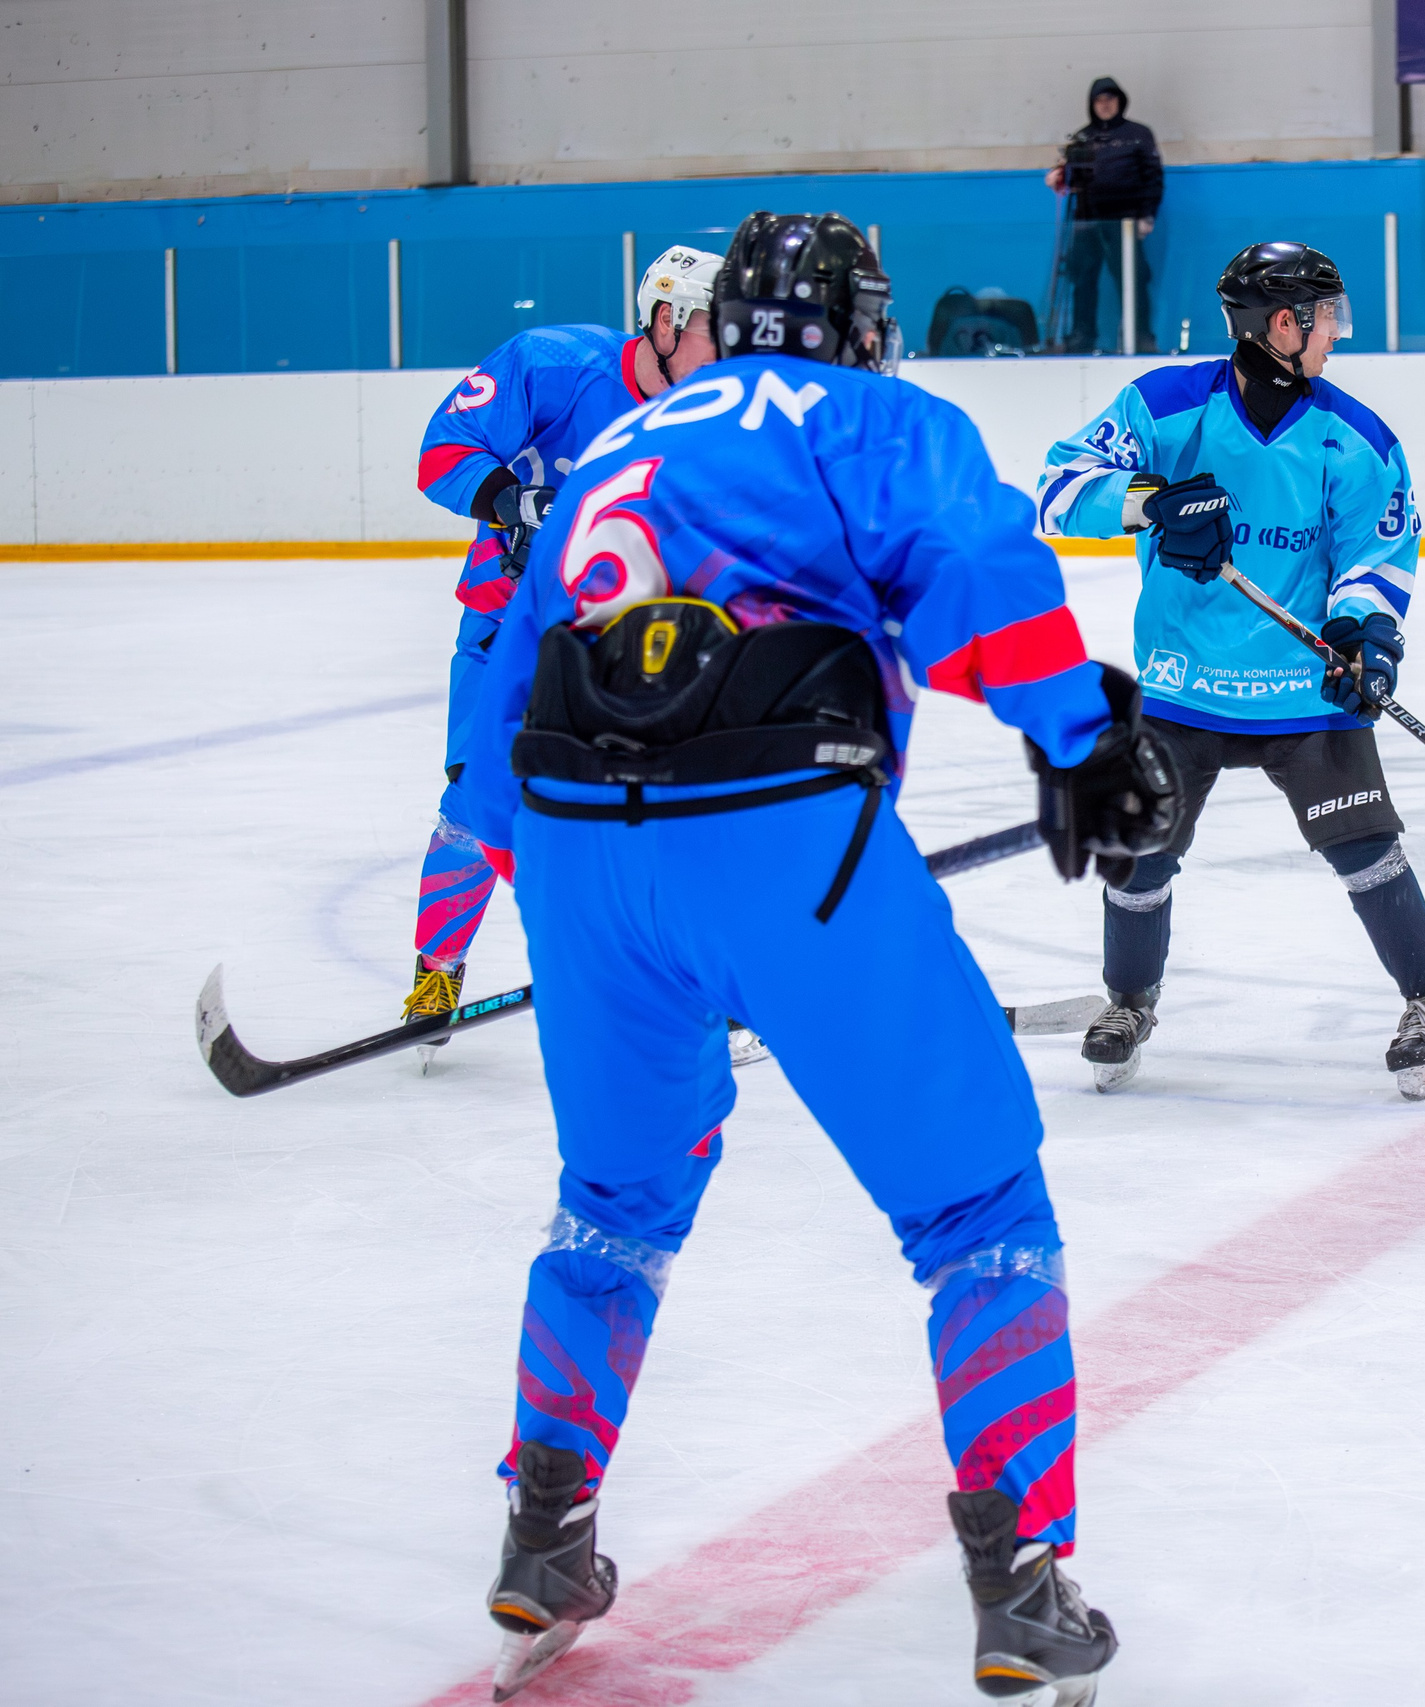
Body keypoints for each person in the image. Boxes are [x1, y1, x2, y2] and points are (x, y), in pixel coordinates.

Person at [454, 211, 1176, 1703]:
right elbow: (976, 564)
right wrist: (1084, 739)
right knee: (978, 1199)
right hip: (783, 839)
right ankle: (1023, 1577)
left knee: (613, 1203)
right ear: (855, 320)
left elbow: (504, 666)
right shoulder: (871, 412)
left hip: (582, 847)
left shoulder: (622, 438)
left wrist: (533, 866)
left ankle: (544, 1529)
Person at [1033, 241, 1425, 1100]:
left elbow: (1377, 554)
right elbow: (1056, 487)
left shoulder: (1354, 437)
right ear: (1284, 323)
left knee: (1364, 845)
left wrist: (1365, 638)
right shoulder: (1166, 405)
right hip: (1181, 685)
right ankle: (1130, 1000)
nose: (1336, 337)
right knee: (1139, 853)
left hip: (1304, 685)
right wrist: (1149, 502)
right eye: (1328, 319)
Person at [405, 244, 723, 1046]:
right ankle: (437, 969)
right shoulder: (551, 363)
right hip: (505, 624)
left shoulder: (713, 416)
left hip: (625, 638)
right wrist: (513, 500)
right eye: (715, 329)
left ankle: (688, 973)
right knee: (474, 809)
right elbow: (441, 449)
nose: (731, 349)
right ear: (663, 321)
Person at [1045, 76, 1163, 354]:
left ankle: (1140, 336)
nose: (1105, 105)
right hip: (1086, 222)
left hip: (1126, 223)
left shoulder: (1139, 134)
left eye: (1110, 99)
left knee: (1133, 281)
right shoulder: (1082, 137)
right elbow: (1070, 179)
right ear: (1092, 104)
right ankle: (1081, 336)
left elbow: (1153, 178)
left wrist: (1148, 216)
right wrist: (1059, 177)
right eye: (1099, 100)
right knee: (1082, 280)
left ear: (1120, 102)